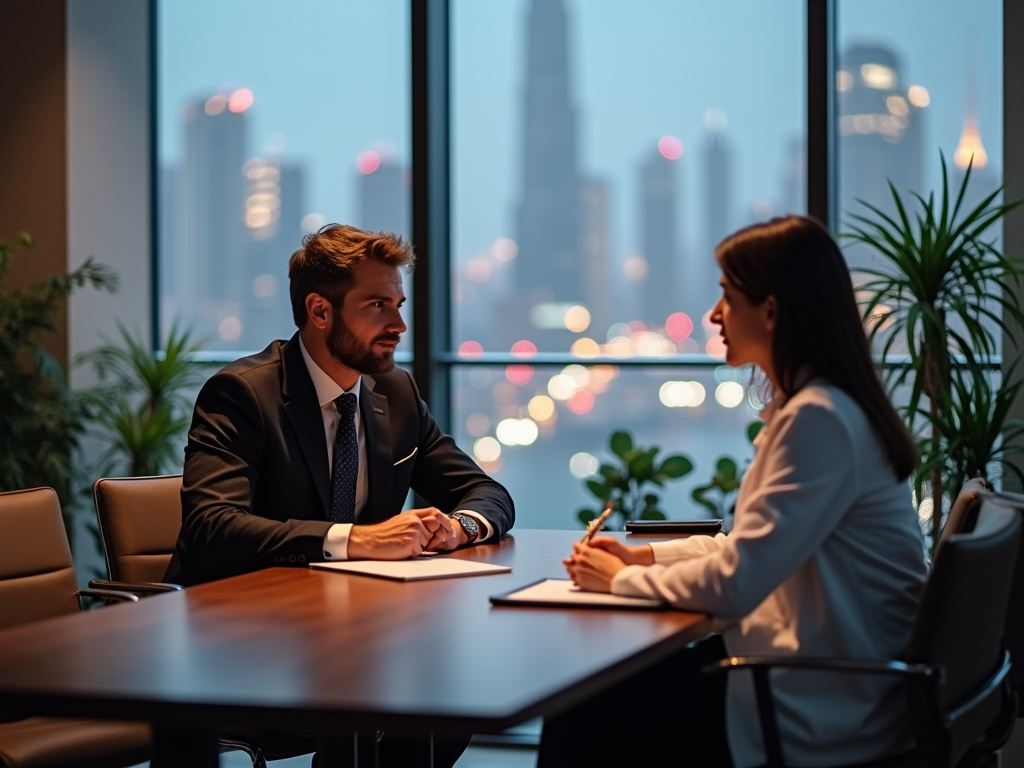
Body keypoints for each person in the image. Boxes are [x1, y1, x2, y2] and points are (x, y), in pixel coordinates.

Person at [547, 215, 928, 767]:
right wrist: (644, 555)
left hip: (820, 705)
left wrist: (623, 579)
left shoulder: (818, 421)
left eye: (727, 295)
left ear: (771, 310)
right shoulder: (828, 407)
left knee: (583, 708)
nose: (713, 314)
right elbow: (747, 547)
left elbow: (736, 584)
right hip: (839, 679)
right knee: (602, 698)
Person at [166, 224, 515, 767]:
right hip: (239, 642)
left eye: (399, 304)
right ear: (320, 311)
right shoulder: (242, 395)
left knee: (446, 702)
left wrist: (461, 526)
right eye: (378, 305)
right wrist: (356, 540)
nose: (399, 325)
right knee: (408, 693)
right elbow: (212, 526)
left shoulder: (394, 394)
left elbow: (484, 491)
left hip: (351, 636)